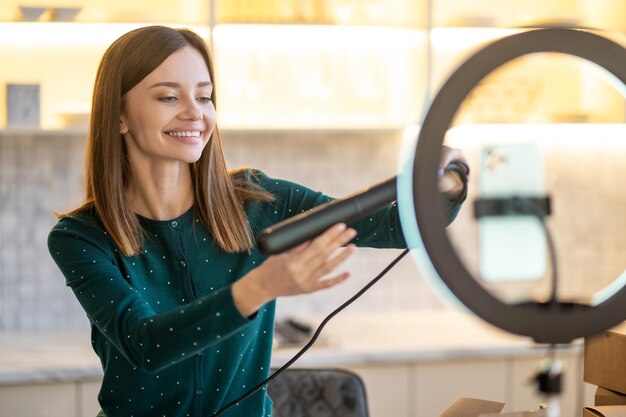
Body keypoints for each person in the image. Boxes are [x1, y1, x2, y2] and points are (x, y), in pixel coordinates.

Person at [47, 25, 469, 417]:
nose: (195, 113)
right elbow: (147, 344)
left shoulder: (259, 200)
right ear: (118, 116)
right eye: (168, 97)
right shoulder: (81, 238)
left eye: (205, 96)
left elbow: (396, 226)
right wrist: (261, 286)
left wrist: (446, 188)